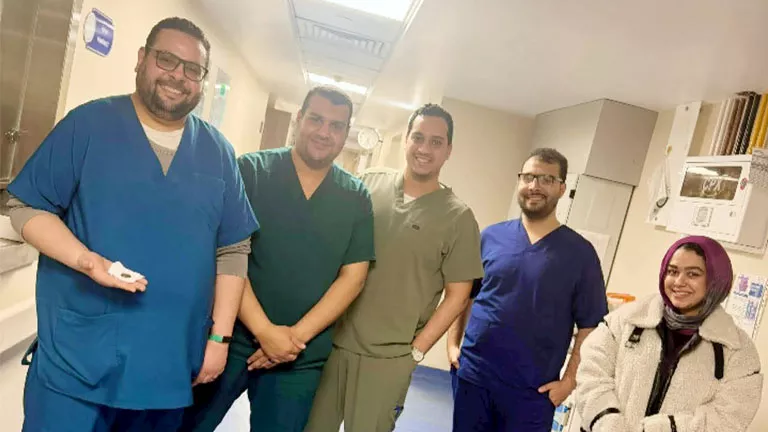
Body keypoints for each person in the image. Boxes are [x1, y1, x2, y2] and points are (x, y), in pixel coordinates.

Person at [6, 17, 258, 431]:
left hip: (168, 362)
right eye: (166, 59)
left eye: (192, 69)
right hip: (78, 357)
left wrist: (220, 339)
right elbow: (26, 206)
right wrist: (87, 260)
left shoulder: (218, 152)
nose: (177, 76)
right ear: (142, 59)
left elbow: (233, 248)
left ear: (202, 81)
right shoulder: (87, 125)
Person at [181, 86, 374, 432]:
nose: (324, 132)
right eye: (315, 119)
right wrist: (264, 331)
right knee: (187, 424)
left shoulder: (355, 196)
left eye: (336, 125)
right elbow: (226, 254)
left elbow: (353, 277)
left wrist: (292, 339)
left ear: (346, 133)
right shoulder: (251, 172)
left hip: (299, 356)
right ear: (299, 119)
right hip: (229, 337)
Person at [304, 103, 484, 432]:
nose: (424, 149)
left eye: (436, 142)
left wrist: (417, 351)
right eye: (418, 137)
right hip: (333, 343)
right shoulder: (369, 184)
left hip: (389, 358)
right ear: (406, 140)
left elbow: (458, 295)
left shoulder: (458, 218)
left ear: (448, 151)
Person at [447, 148, 608, 431]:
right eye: (529, 177)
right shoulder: (491, 237)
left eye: (547, 179)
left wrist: (569, 382)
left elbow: (590, 325)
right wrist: (452, 344)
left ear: (562, 188)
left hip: (532, 393)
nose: (535, 186)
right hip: (474, 378)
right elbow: (464, 295)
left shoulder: (580, 254)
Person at [575, 236, 763, 432]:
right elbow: (591, 376)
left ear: (715, 281)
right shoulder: (625, 321)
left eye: (693, 274)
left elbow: (728, 418)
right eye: (672, 271)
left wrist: (664, 428)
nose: (679, 282)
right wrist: (609, 424)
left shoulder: (737, 350)